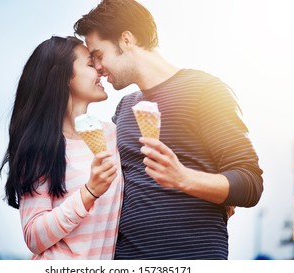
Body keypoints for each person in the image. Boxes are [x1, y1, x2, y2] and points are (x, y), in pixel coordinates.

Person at [74, 0, 263, 259]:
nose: (96, 67)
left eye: (98, 54)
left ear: (126, 40)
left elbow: (250, 183)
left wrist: (184, 178)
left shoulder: (205, 90)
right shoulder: (124, 108)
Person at [0, 36, 123, 260]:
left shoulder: (114, 134)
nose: (99, 69)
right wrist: (89, 193)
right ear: (65, 77)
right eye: (89, 63)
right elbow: (34, 238)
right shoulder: (41, 149)